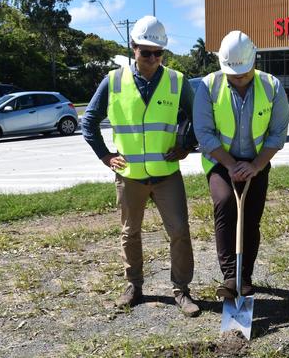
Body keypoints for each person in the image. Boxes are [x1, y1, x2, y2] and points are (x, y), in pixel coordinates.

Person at [82, 16, 200, 317]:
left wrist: (187, 146)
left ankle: (181, 290)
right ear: (132, 48)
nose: (152, 59)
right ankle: (133, 286)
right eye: (145, 52)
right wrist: (105, 156)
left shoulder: (177, 81)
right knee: (129, 232)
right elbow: (89, 122)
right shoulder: (113, 80)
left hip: (166, 174)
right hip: (129, 176)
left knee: (180, 231)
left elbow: (200, 117)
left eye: (158, 53)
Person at [193, 31, 289, 298]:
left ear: (254, 62)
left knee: (251, 217)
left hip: (257, 162)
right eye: (232, 75)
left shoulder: (272, 86)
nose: (237, 79)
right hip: (220, 162)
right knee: (225, 204)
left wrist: (257, 165)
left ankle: (244, 277)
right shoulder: (208, 86)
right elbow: (204, 132)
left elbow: (277, 133)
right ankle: (229, 277)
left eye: (243, 74)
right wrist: (230, 164)